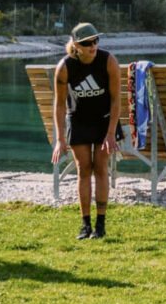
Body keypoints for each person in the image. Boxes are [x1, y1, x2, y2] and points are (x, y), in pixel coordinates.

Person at [51, 22, 120, 240]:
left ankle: (100, 225)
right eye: (87, 43)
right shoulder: (65, 67)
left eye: (96, 40)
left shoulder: (107, 61)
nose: (93, 46)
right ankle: (85, 225)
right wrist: (60, 139)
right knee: (83, 169)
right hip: (79, 120)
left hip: (104, 121)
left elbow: (117, 99)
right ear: (76, 46)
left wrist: (110, 133)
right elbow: (60, 105)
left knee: (100, 167)